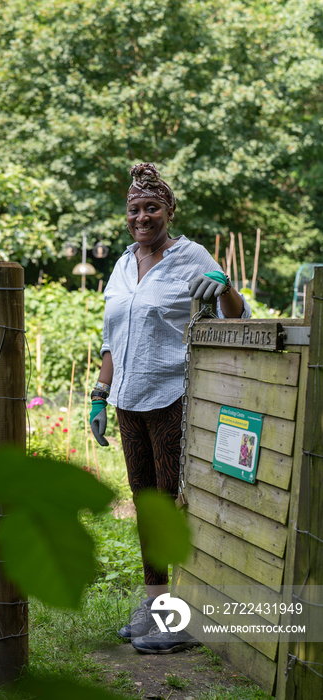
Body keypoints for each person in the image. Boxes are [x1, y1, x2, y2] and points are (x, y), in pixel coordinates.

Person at [89, 163, 251, 654]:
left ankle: (186, 615)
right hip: (127, 402)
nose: (142, 217)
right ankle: (157, 603)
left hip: (174, 399)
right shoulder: (121, 264)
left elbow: (237, 317)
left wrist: (223, 286)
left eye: (152, 208)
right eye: (134, 209)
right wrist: (99, 395)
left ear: (169, 211)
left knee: (177, 505)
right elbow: (110, 337)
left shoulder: (192, 256)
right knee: (145, 505)